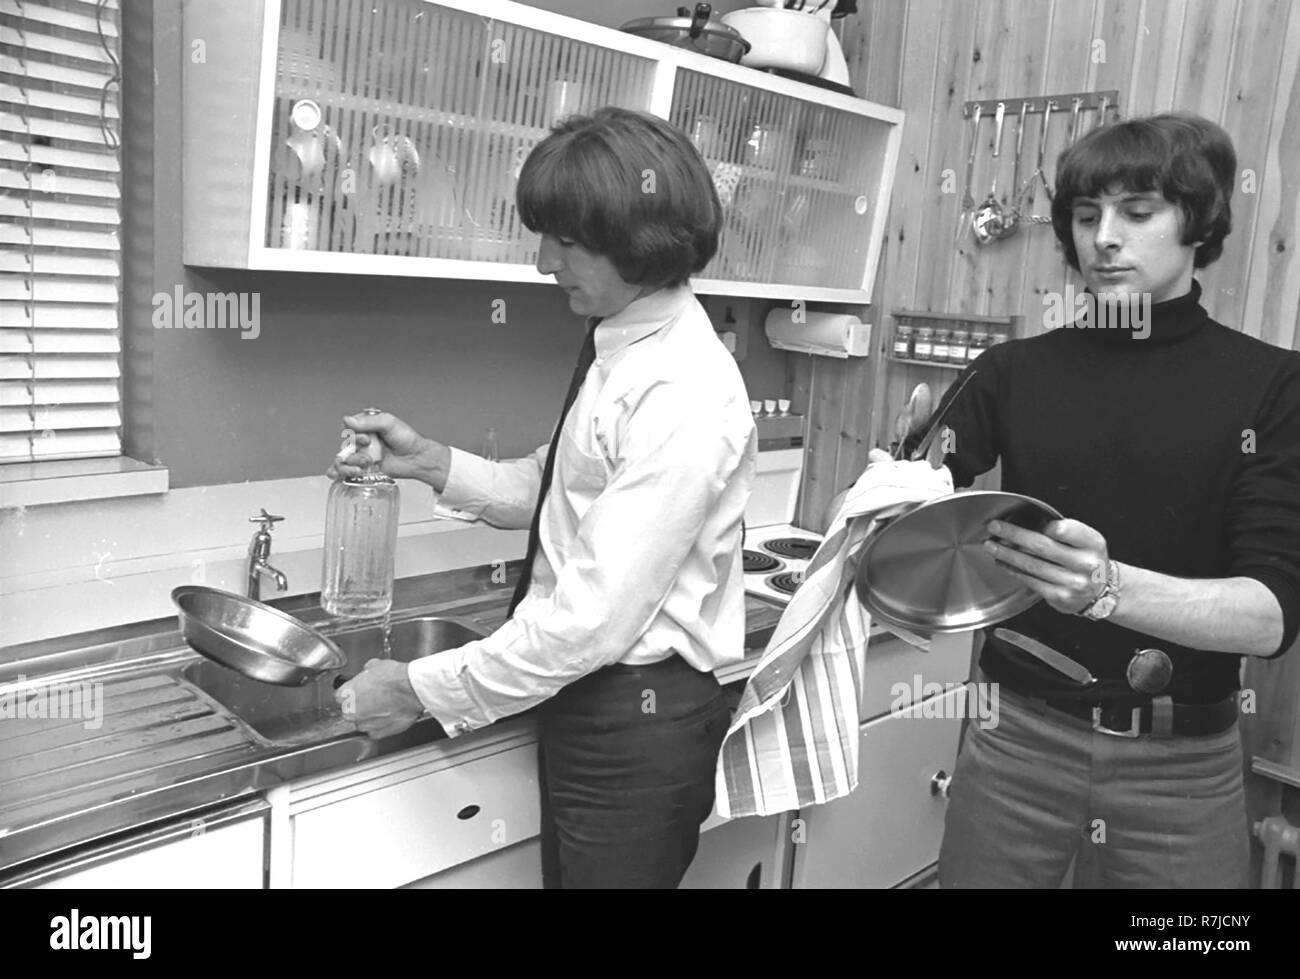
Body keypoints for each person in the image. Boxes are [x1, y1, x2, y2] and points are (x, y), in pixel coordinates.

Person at [327, 107, 756, 889]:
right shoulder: (621, 338)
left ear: (640, 240)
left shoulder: (683, 388)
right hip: (594, 699)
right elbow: (559, 480)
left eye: (563, 240)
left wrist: (419, 687)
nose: (539, 261)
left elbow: (590, 620)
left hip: (637, 719)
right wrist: (425, 460)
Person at [927, 112, 1300, 888]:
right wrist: (903, 471)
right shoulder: (1012, 369)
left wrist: (1107, 591)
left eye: (1138, 212)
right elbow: (922, 495)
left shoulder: (1271, 386)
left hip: (1183, 768)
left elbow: (1269, 619)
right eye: (1086, 215)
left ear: (1197, 223)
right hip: (1015, 741)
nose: (1104, 237)